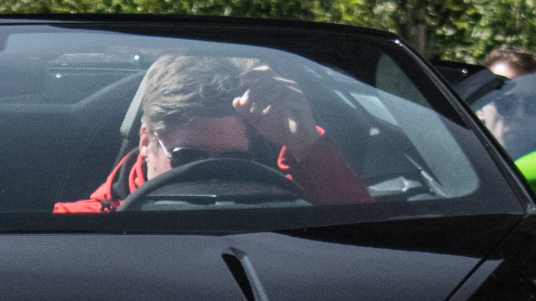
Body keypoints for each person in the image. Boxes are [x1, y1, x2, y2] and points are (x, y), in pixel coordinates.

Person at [56, 54, 368, 213]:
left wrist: (304, 142)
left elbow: (362, 245)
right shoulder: (85, 226)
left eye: (233, 160)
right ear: (146, 142)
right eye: (188, 158)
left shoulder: (281, 208)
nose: (210, 171)